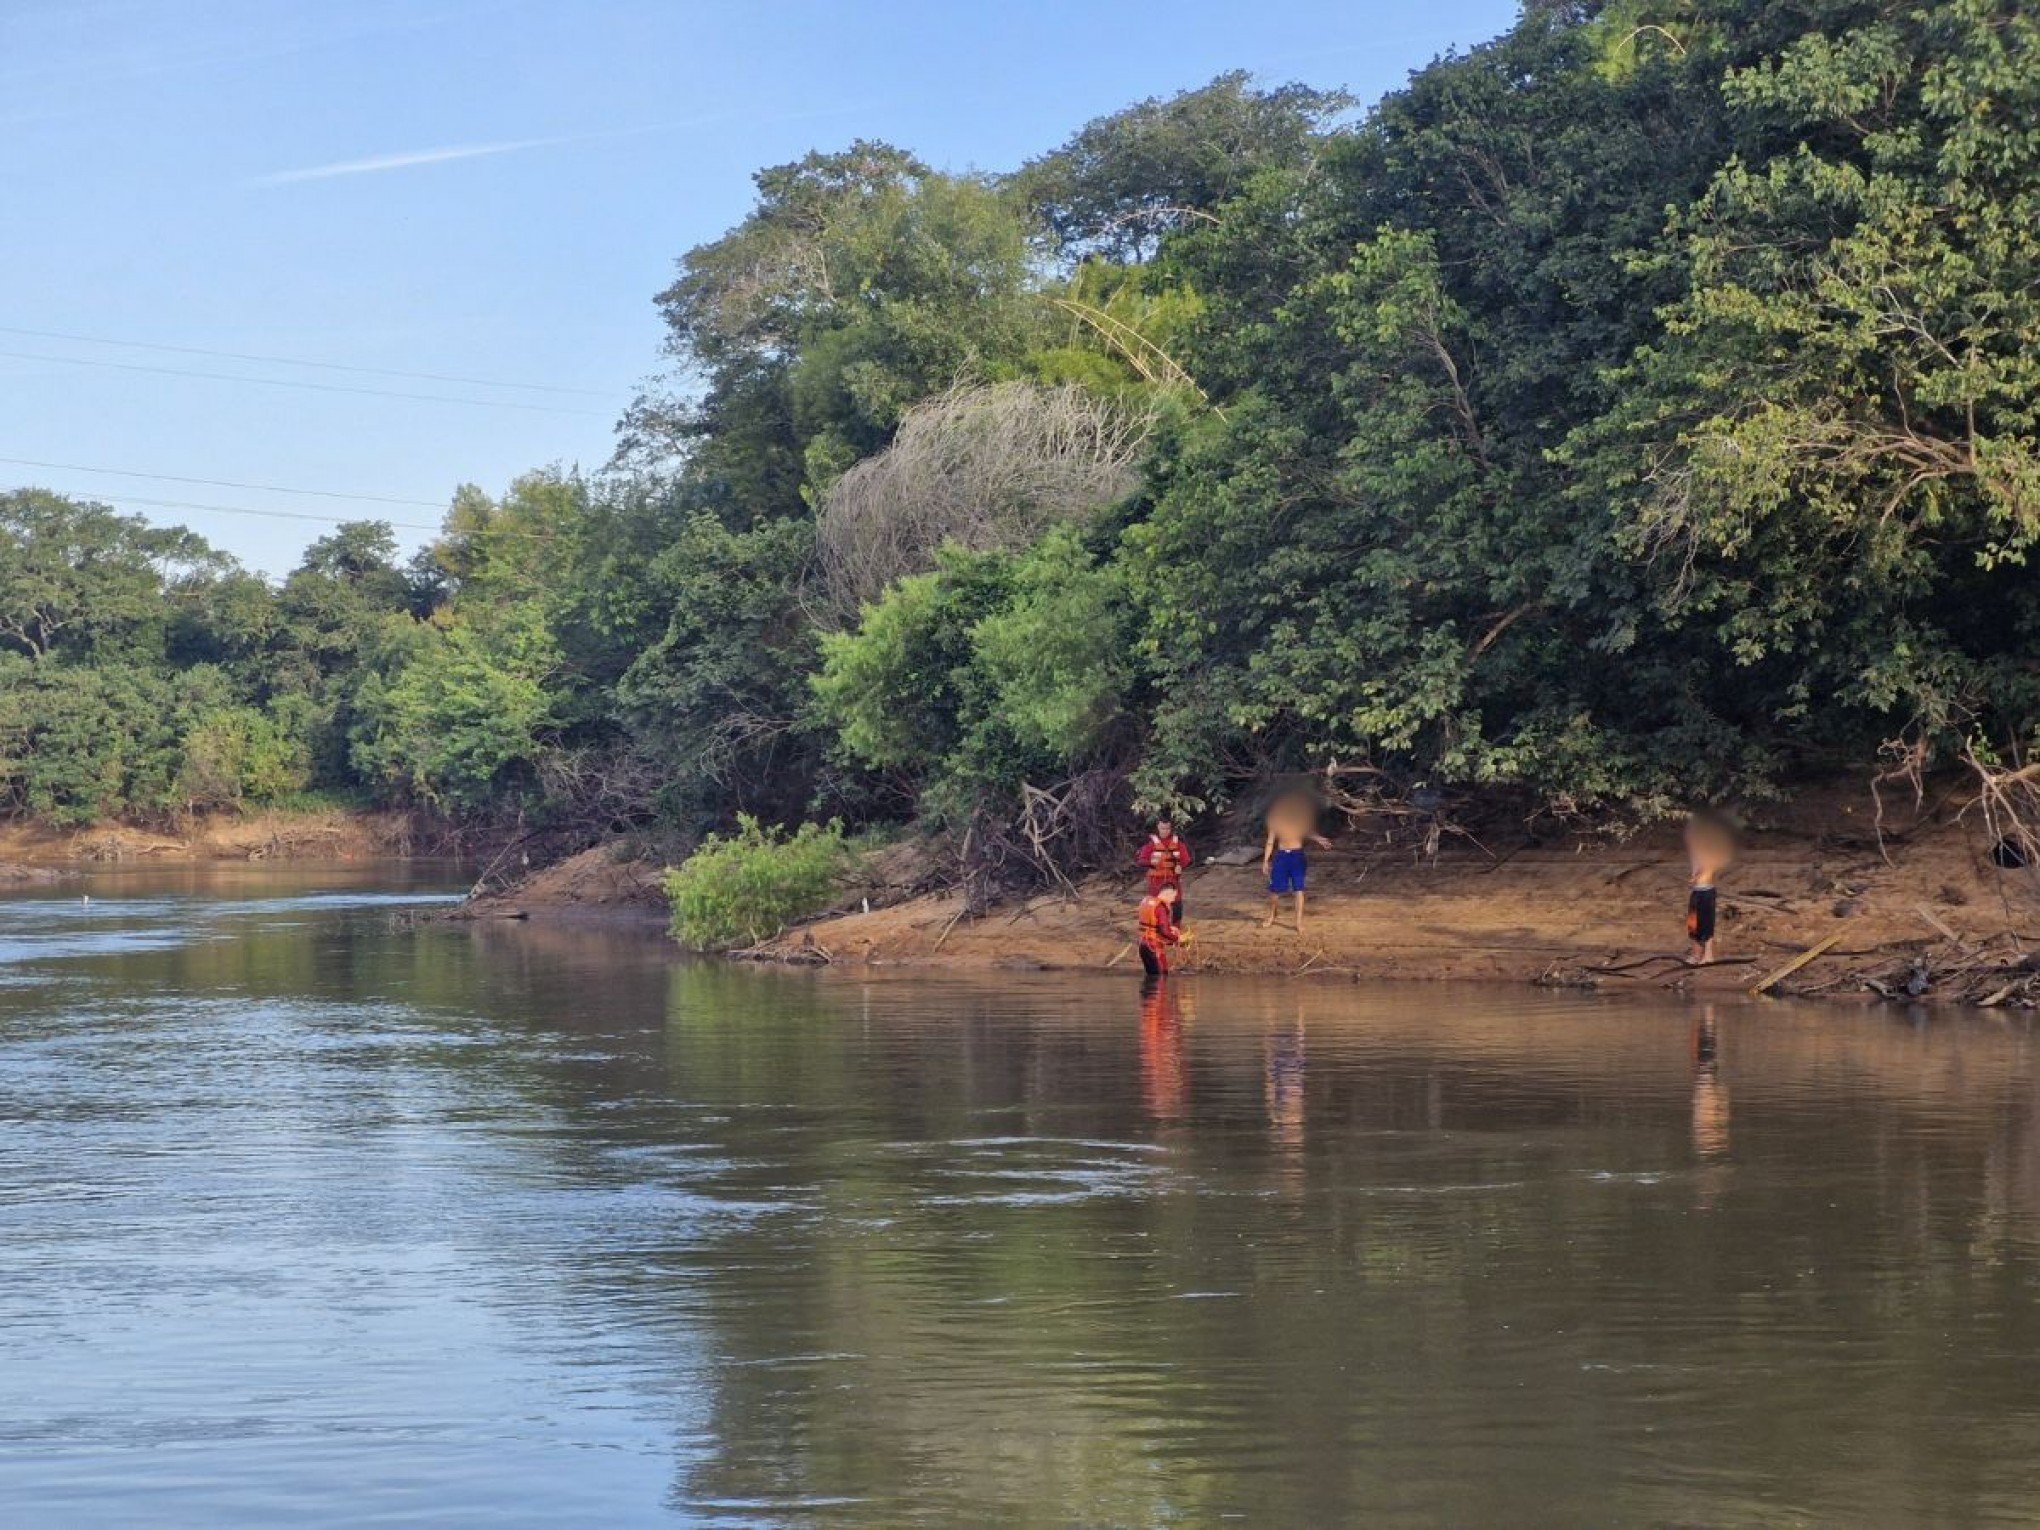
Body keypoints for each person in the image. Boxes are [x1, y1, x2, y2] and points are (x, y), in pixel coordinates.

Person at [1263, 796, 1332, 933]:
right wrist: (1266, 860)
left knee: (1299, 889)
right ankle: (1272, 915)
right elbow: (1270, 842)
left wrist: (1320, 839)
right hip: (1281, 857)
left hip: (1297, 856)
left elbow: (1307, 832)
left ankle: (1298, 922)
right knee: (1275, 890)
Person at [1684, 812, 1732, 965]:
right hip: (1697, 891)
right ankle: (1696, 954)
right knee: (1693, 924)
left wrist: (1695, 877)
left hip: (1706, 891)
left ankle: (1709, 955)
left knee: (1706, 924)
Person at [1136, 818, 1193, 921]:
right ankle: (1156, 929)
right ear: (1158, 828)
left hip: (1173, 879)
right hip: (1156, 880)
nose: (1165, 831)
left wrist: (1181, 866)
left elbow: (1186, 860)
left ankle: (1176, 930)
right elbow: (1141, 861)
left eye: (1167, 828)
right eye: (1163, 828)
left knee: (1177, 904)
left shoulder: (1178, 843)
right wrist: (1151, 863)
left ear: (1171, 829)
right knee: (1155, 905)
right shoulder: (1150, 844)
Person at [1137, 883, 1184, 977]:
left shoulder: (1146, 901)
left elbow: (1153, 923)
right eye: (1173, 896)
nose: (1173, 900)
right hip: (1154, 946)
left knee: (1151, 976)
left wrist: (1169, 927)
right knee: (1161, 976)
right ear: (1168, 894)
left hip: (1142, 945)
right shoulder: (1160, 907)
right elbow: (1164, 931)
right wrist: (1177, 938)